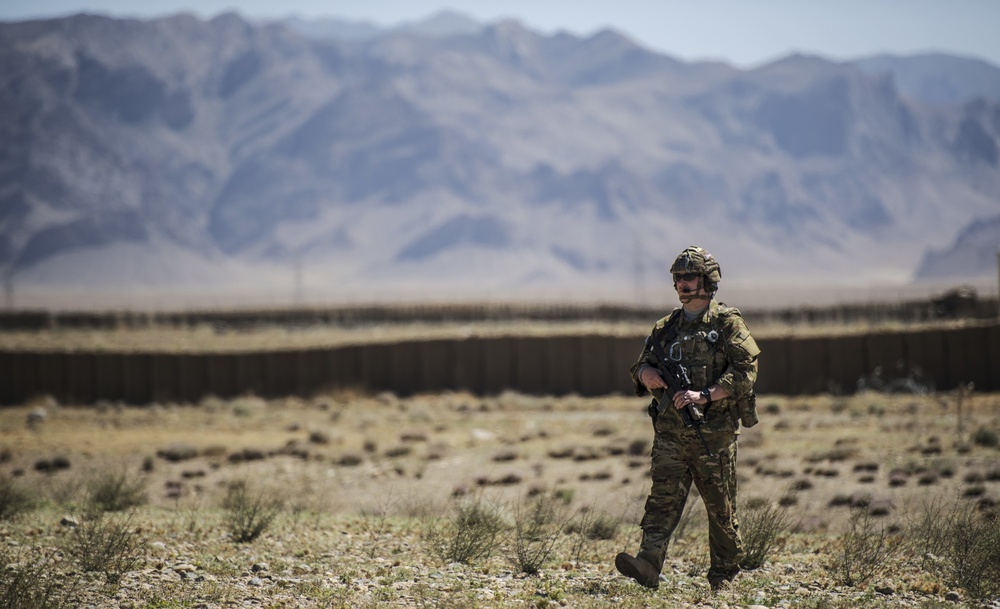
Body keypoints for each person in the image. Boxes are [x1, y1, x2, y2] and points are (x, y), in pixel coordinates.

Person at [615, 245, 760, 592]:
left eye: (688, 277)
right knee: (662, 499)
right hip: (670, 434)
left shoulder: (727, 323)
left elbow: (747, 371)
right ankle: (648, 563)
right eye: (677, 278)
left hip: (714, 434)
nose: (681, 283)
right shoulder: (665, 328)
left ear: (708, 281)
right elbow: (640, 364)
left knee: (720, 508)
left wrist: (706, 395)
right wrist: (646, 374)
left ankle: (723, 575)